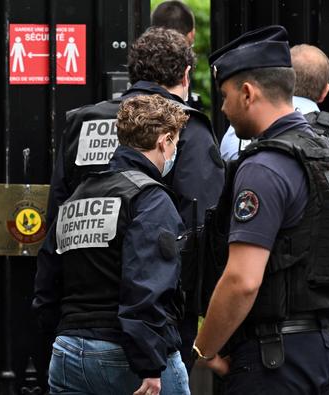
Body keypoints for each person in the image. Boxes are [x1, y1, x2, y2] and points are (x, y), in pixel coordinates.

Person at [193, 26, 329, 393]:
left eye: (224, 96)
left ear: (248, 92)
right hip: (324, 348)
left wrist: (204, 350)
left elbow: (242, 280)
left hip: (274, 358)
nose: (222, 108)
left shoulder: (264, 165)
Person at [46, 26, 224, 368]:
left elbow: (56, 218)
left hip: (80, 314)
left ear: (134, 72)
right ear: (186, 75)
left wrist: (52, 310)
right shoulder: (185, 124)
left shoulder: (83, 122)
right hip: (157, 317)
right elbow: (202, 229)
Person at [219, 44, 329, 324]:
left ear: (284, 81)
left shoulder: (237, 134)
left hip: (249, 302)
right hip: (318, 305)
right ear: (324, 92)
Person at [34, 94, 190, 395]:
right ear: (164, 140)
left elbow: (47, 276)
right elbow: (146, 285)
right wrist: (149, 363)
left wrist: (63, 333)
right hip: (127, 355)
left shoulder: (79, 195)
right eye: (175, 144)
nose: (174, 152)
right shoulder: (151, 200)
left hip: (68, 350)